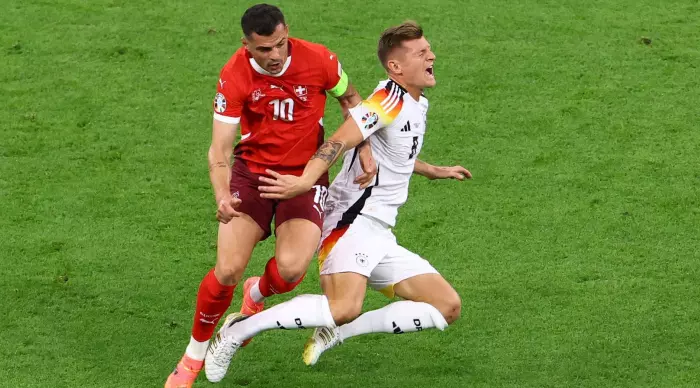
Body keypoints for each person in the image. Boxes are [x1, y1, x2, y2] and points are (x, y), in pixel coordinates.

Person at [204, 20, 472, 382]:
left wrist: (432, 170)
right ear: (396, 67)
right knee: (343, 306)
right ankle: (237, 332)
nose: (432, 56)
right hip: (350, 224)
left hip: (379, 230)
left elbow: (396, 155)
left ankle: (338, 331)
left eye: (428, 49)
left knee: (447, 307)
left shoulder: (415, 102)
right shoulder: (386, 101)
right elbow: (339, 141)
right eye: (422, 53)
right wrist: (305, 180)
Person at [164, 4, 376, 387]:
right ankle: (193, 356)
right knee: (227, 269)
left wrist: (363, 148)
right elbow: (219, 150)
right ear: (247, 45)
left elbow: (353, 102)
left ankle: (257, 291)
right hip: (252, 177)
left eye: (280, 45)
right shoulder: (234, 75)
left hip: (305, 175)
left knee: (293, 270)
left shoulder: (320, 59)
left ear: (287, 33)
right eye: (264, 50)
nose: (275, 56)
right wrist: (222, 196)